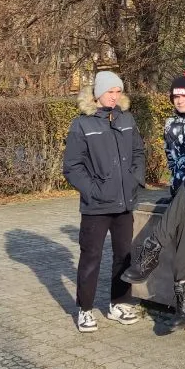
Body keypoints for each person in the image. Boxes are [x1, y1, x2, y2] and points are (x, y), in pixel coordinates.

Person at [121, 69, 185, 331]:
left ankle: (152, 249)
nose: (179, 100)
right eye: (176, 96)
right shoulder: (171, 124)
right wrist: (176, 189)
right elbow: (172, 159)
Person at [63, 71, 145, 332]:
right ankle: (85, 310)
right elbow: (72, 167)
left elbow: (138, 152)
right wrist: (93, 190)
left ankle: (119, 304)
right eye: (110, 91)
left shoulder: (127, 119)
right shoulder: (82, 124)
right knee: (91, 257)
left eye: (118, 91)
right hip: (96, 206)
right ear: (98, 93)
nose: (114, 96)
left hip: (124, 202)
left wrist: (134, 180)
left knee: (124, 255)